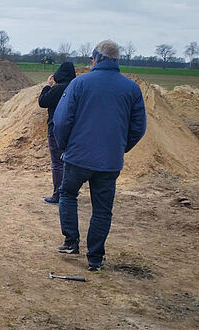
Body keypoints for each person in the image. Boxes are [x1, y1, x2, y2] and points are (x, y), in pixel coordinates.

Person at [53, 40, 146, 271]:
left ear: (95, 59)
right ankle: (95, 258)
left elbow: (62, 120)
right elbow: (138, 127)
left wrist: (64, 146)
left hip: (77, 157)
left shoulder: (79, 84)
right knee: (102, 209)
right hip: (109, 162)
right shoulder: (132, 89)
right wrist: (119, 147)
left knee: (67, 194)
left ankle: (71, 242)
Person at [38, 62, 76, 204]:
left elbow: (42, 101)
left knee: (57, 163)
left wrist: (48, 86)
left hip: (55, 129)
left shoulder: (58, 88)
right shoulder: (75, 88)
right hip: (73, 131)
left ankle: (58, 195)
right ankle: (70, 191)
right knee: (69, 162)